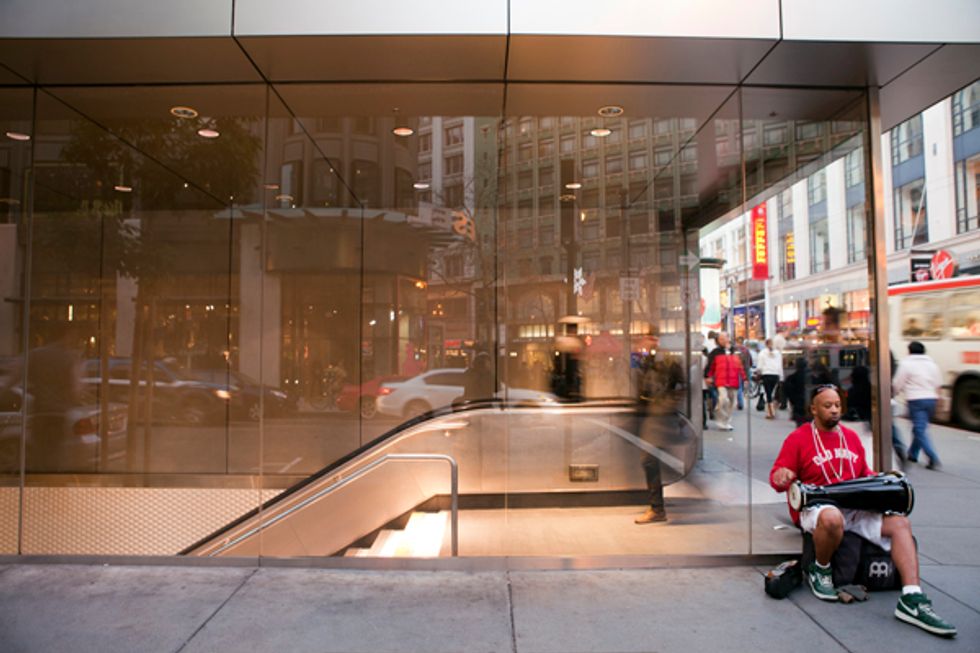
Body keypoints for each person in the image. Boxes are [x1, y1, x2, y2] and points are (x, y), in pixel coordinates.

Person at [769, 385, 956, 638]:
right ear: (813, 409)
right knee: (832, 517)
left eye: (837, 405)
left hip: (854, 508)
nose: (834, 410)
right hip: (817, 508)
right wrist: (783, 476)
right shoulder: (798, 438)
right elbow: (778, 476)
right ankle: (820, 569)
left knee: (900, 524)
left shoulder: (850, 437)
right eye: (827, 405)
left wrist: (880, 485)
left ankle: (912, 598)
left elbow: (863, 476)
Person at [632, 333, 683, 524]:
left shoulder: (665, 362)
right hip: (653, 416)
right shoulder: (650, 361)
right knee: (651, 461)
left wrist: (663, 407)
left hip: (658, 418)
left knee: (649, 460)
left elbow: (678, 387)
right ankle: (657, 507)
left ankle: (657, 508)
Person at [893, 341, 944, 470]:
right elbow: (938, 384)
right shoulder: (932, 364)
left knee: (919, 430)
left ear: (909, 351)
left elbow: (898, 383)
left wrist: (894, 393)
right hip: (931, 399)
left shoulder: (906, 364)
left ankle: (932, 457)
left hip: (916, 400)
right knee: (919, 428)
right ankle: (913, 454)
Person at [705, 332, 745, 431]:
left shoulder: (735, 351)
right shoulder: (715, 352)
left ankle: (726, 421)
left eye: (724, 338)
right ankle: (720, 419)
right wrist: (708, 376)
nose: (723, 341)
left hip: (734, 380)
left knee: (732, 402)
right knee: (723, 399)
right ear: (718, 341)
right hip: (721, 380)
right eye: (720, 339)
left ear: (728, 339)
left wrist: (745, 378)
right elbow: (710, 366)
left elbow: (741, 366)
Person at [757, 338, 783, 420]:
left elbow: (760, 365)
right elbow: (780, 365)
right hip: (775, 374)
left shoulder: (762, 353)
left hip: (766, 374)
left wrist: (759, 373)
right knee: (772, 392)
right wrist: (781, 377)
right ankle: (771, 410)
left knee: (768, 392)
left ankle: (770, 412)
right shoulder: (778, 353)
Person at [783, 356, 809, 427]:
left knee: (800, 426)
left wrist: (793, 400)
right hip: (810, 407)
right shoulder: (812, 376)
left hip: (798, 406)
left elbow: (787, 390)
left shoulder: (791, 378)